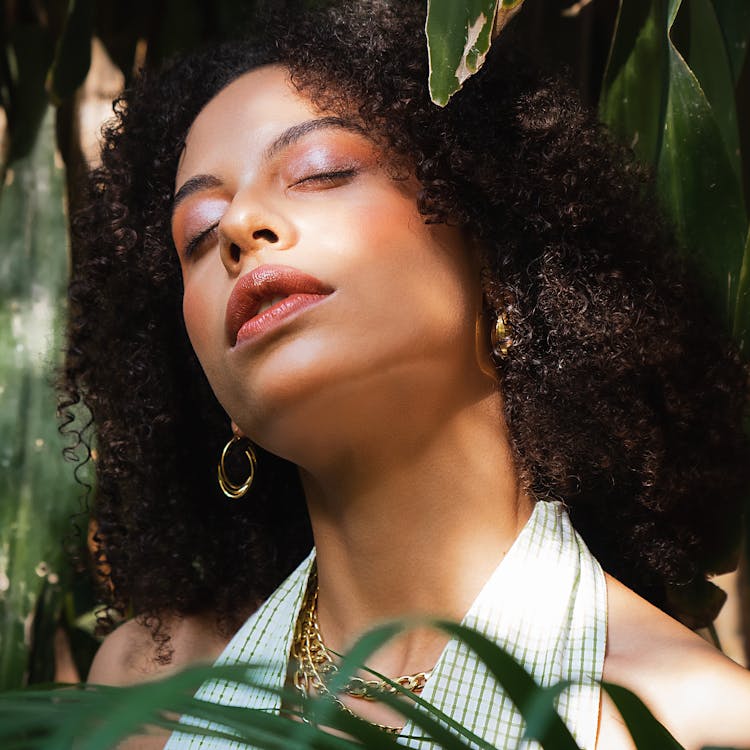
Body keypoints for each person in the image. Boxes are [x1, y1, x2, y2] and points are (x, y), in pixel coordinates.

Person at [61, 1, 750, 748]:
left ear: (494, 255)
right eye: (196, 234)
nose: (236, 227)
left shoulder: (695, 722)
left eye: (321, 172)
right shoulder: (146, 695)